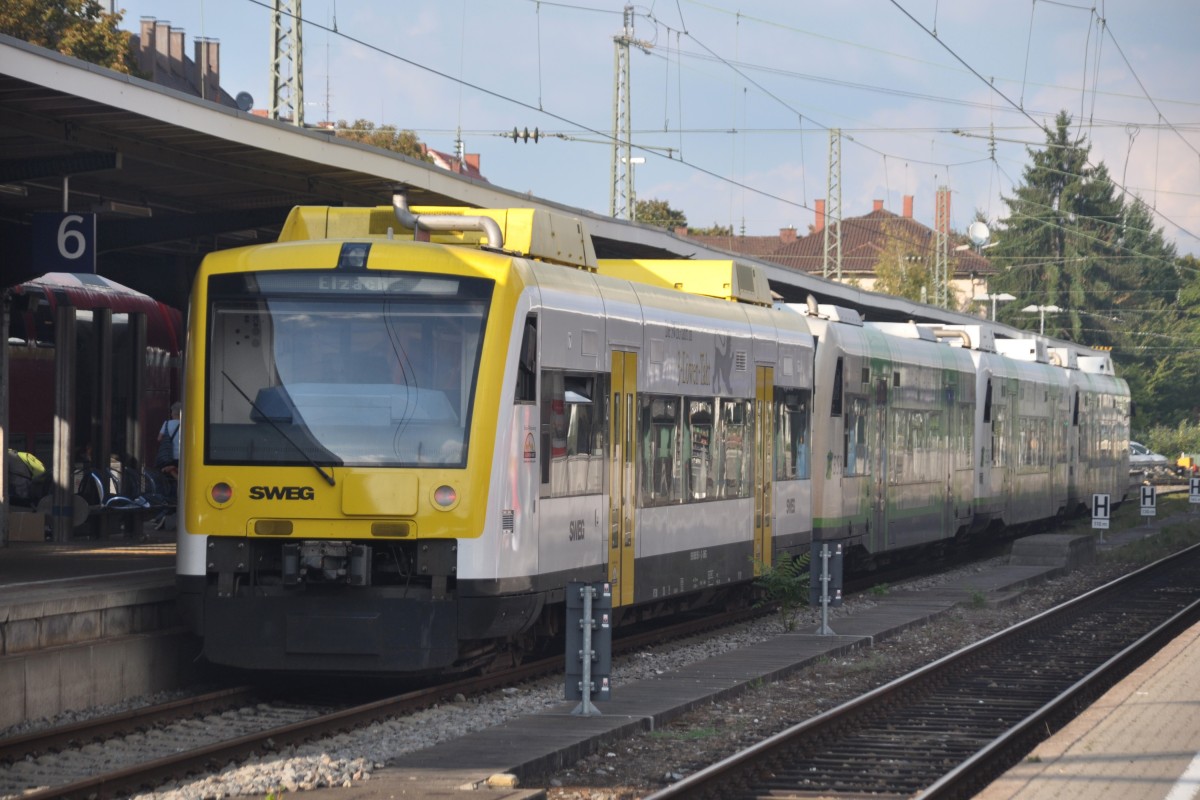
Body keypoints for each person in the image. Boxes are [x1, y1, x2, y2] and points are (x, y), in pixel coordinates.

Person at [156, 402, 182, 478]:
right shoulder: (185, 424)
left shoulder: (167, 423)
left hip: (168, 456)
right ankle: (176, 476)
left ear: (172, 413)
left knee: (163, 469)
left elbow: (159, 438)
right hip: (181, 456)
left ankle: (172, 471)